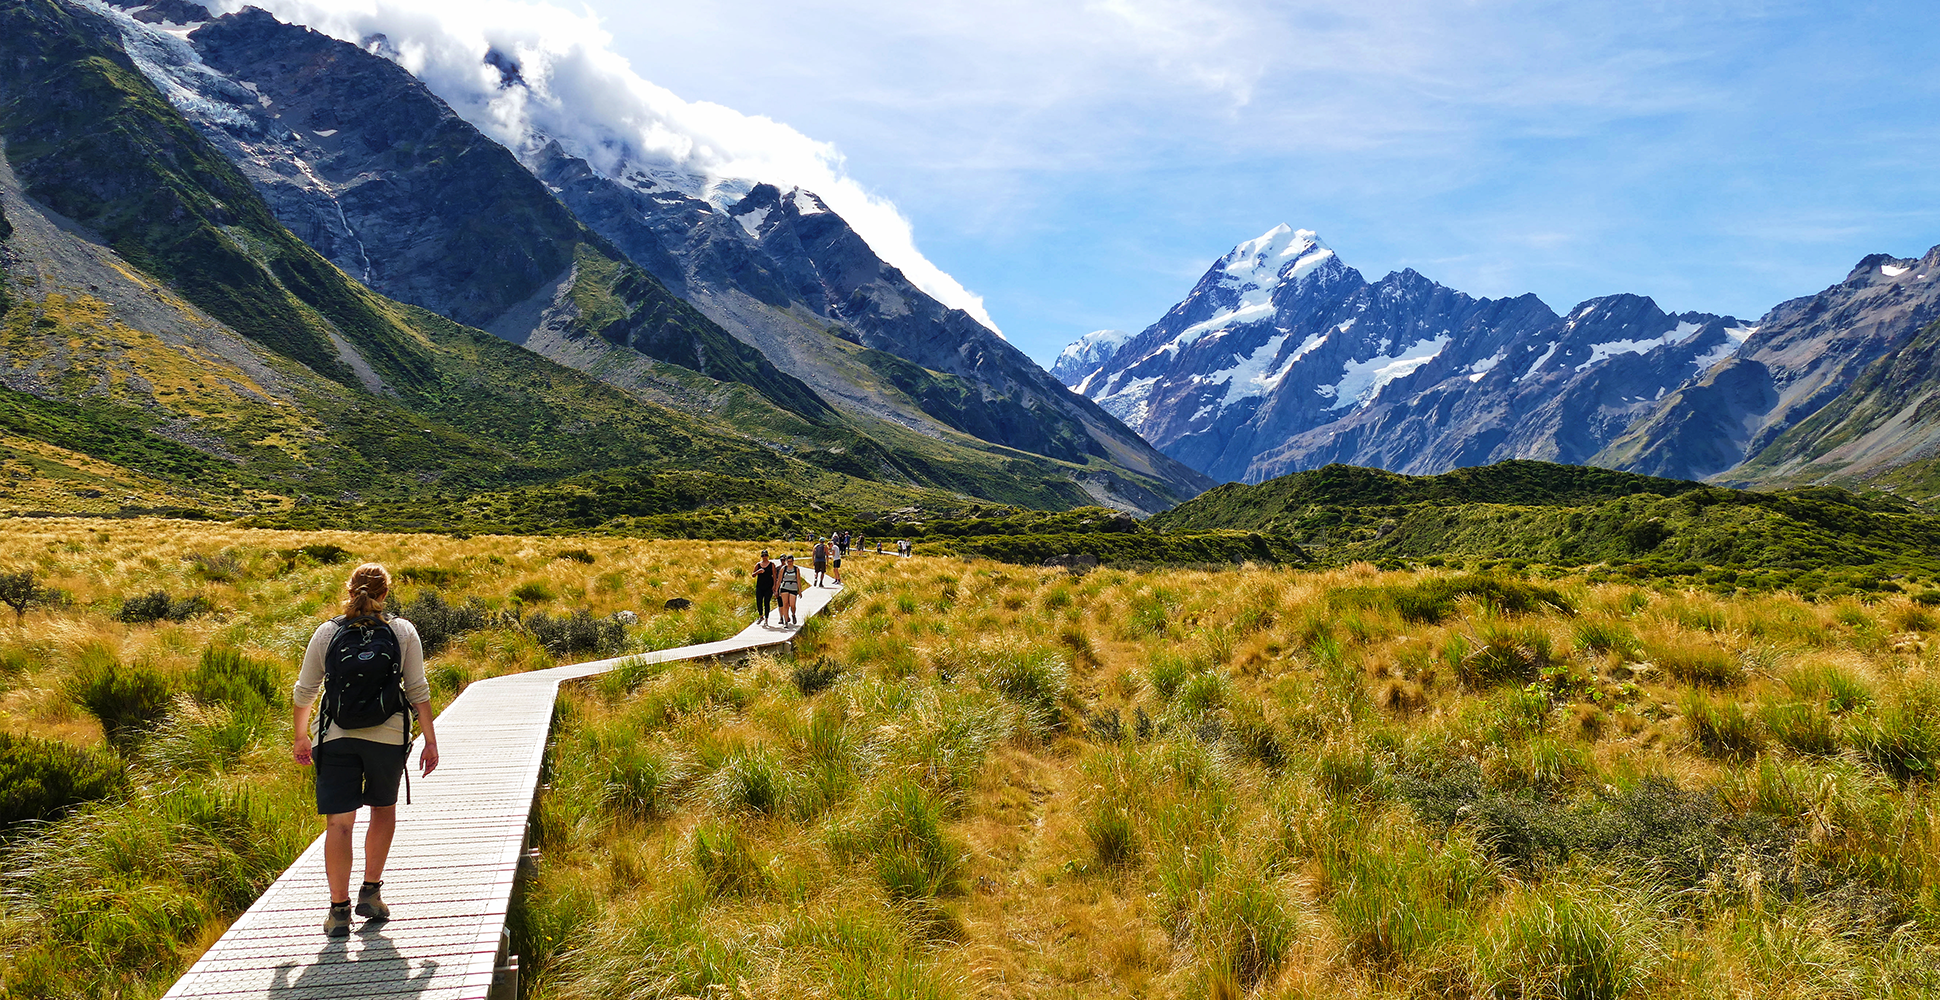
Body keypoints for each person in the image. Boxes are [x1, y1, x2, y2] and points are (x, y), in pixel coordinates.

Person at [292, 563, 439, 937]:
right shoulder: (401, 630)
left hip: (335, 736)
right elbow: (418, 689)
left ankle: (338, 910)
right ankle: (371, 894)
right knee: (382, 811)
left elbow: (305, 690)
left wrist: (301, 736)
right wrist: (430, 740)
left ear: (350, 589)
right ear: (385, 593)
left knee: (339, 824)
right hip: (387, 737)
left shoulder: (328, 632)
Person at [751, 550, 778, 626]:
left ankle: (766, 619)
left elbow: (774, 575)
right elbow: (753, 575)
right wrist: (758, 572)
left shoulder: (771, 564)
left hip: (768, 586)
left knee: (767, 602)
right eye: (763, 555)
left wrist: (775, 586)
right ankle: (761, 616)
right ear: (761, 556)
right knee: (759, 601)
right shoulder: (758, 565)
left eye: (766, 555)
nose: (764, 557)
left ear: (768, 556)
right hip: (759, 586)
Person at [776, 554, 803, 626]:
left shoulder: (796, 569)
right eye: (788, 561)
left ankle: (793, 614)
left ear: (793, 561)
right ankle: (786, 620)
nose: (789, 563)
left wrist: (800, 590)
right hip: (784, 587)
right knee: (785, 604)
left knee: (792, 604)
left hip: (793, 587)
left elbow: (798, 580)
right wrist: (776, 590)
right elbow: (779, 580)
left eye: (791, 561)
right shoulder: (783, 569)